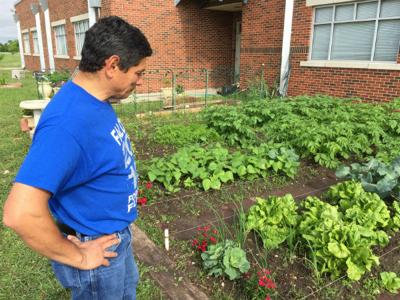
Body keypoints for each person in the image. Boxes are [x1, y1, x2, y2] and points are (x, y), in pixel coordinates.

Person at [3, 16, 152, 299]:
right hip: (95, 250)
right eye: (138, 73)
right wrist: (80, 257)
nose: (140, 82)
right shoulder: (67, 123)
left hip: (114, 238)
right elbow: (19, 214)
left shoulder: (94, 100)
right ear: (112, 65)